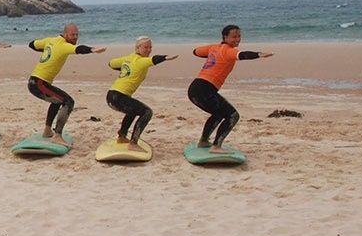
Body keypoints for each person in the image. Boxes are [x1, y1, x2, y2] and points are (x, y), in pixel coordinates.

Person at [188, 25, 274, 153]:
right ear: (225, 37)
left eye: (239, 36)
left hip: (195, 88)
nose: (237, 39)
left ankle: (204, 141)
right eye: (234, 37)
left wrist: (212, 55)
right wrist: (259, 54)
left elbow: (196, 51)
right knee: (232, 115)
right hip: (205, 89)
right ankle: (216, 146)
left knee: (218, 114)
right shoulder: (228, 51)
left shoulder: (214, 48)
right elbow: (242, 55)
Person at [27, 23, 106, 146]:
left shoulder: (51, 41)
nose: (75, 37)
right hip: (39, 83)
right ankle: (57, 135)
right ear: (65, 34)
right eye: (72, 34)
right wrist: (92, 50)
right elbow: (79, 49)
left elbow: (32, 44)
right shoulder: (63, 46)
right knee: (68, 102)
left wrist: (47, 49)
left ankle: (47, 131)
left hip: (35, 82)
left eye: (77, 34)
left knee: (57, 101)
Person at [106, 37, 177, 151]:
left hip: (111, 95)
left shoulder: (129, 58)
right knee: (147, 112)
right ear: (137, 48)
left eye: (150, 47)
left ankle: (122, 136)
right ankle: (133, 143)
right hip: (118, 96)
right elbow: (153, 60)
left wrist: (125, 68)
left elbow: (111, 63)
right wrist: (166, 57)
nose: (148, 50)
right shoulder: (140, 61)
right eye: (145, 47)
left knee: (133, 111)